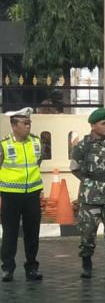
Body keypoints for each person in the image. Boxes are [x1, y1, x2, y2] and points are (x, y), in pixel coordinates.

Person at [70, 108, 105, 279]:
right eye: (103, 123)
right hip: (90, 197)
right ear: (93, 126)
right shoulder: (83, 146)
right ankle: (86, 265)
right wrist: (90, 181)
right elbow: (75, 168)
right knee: (87, 231)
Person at [0, 107, 43, 282]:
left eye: (29, 123)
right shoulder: (4, 145)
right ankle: (7, 268)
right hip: (11, 196)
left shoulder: (36, 142)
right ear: (14, 125)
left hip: (32, 194)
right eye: (25, 123)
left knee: (32, 233)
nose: (28, 126)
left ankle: (32, 268)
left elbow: (38, 162)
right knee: (9, 233)